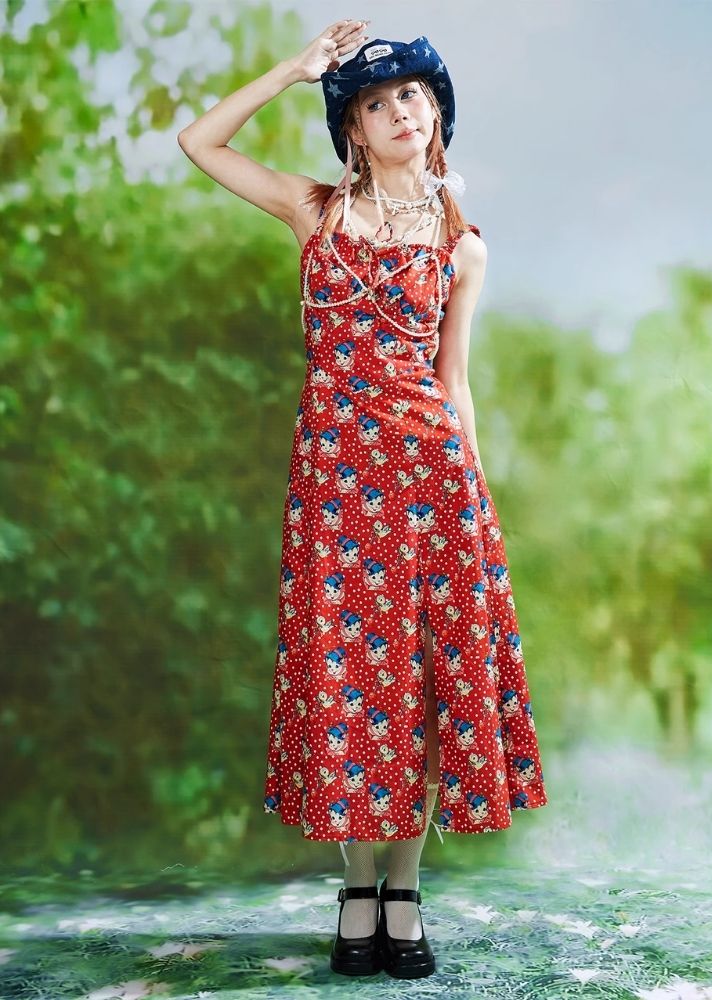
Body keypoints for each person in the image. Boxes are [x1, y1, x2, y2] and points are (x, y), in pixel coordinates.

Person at [178, 19, 548, 981]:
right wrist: (297, 69)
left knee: (421, 685)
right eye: (377, 100)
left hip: (432, 486)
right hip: (337, 484)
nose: (398, 110)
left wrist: (477, 493)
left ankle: (406, 890)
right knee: (350, 682)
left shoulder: (462, 246)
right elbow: (200, 142)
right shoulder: (316, 212)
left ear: (436, 119)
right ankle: (355, 885)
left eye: (413, 97)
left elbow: (453, 380)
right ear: (352, 126)